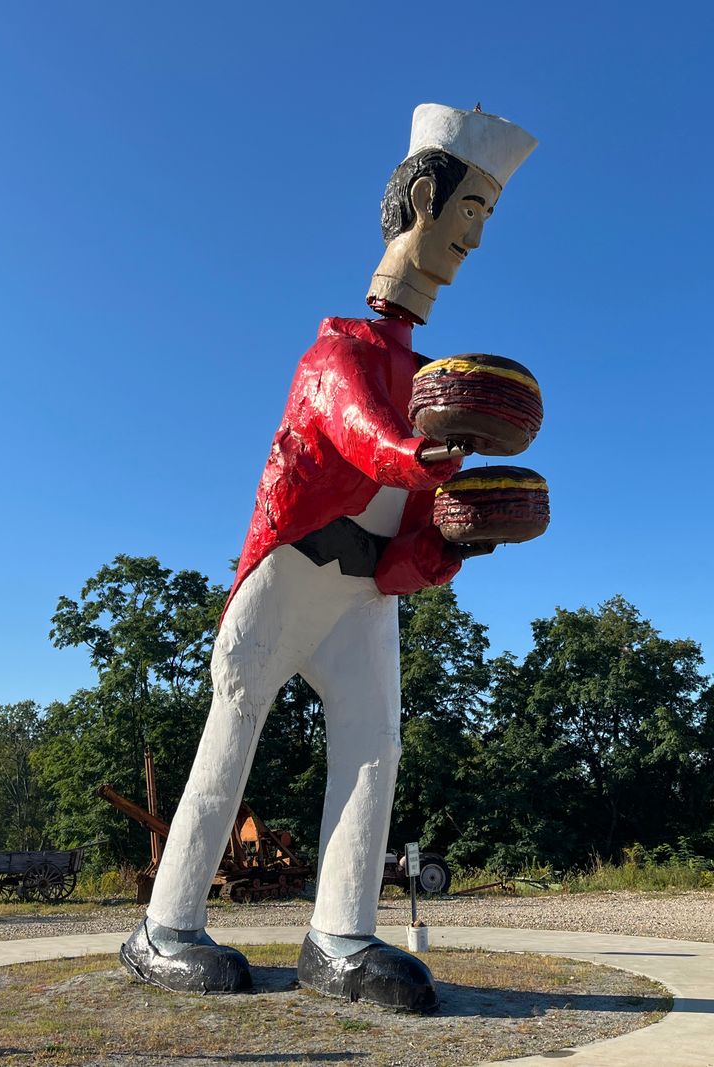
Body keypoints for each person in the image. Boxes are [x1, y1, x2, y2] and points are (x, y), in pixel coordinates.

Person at [121, 103, 537, 1011]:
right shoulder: (337, 351)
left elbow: (415, 538)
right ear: (424, 196)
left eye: (485, 223)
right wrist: (427, 455)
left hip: (359, 593)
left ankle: (339, 936)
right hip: (289, 575)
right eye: (471, 213)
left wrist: (462, 534)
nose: (473, 239)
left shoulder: (430, 387)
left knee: (373, 741)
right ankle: (164, 927)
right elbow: (359, 434)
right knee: (233, 729)